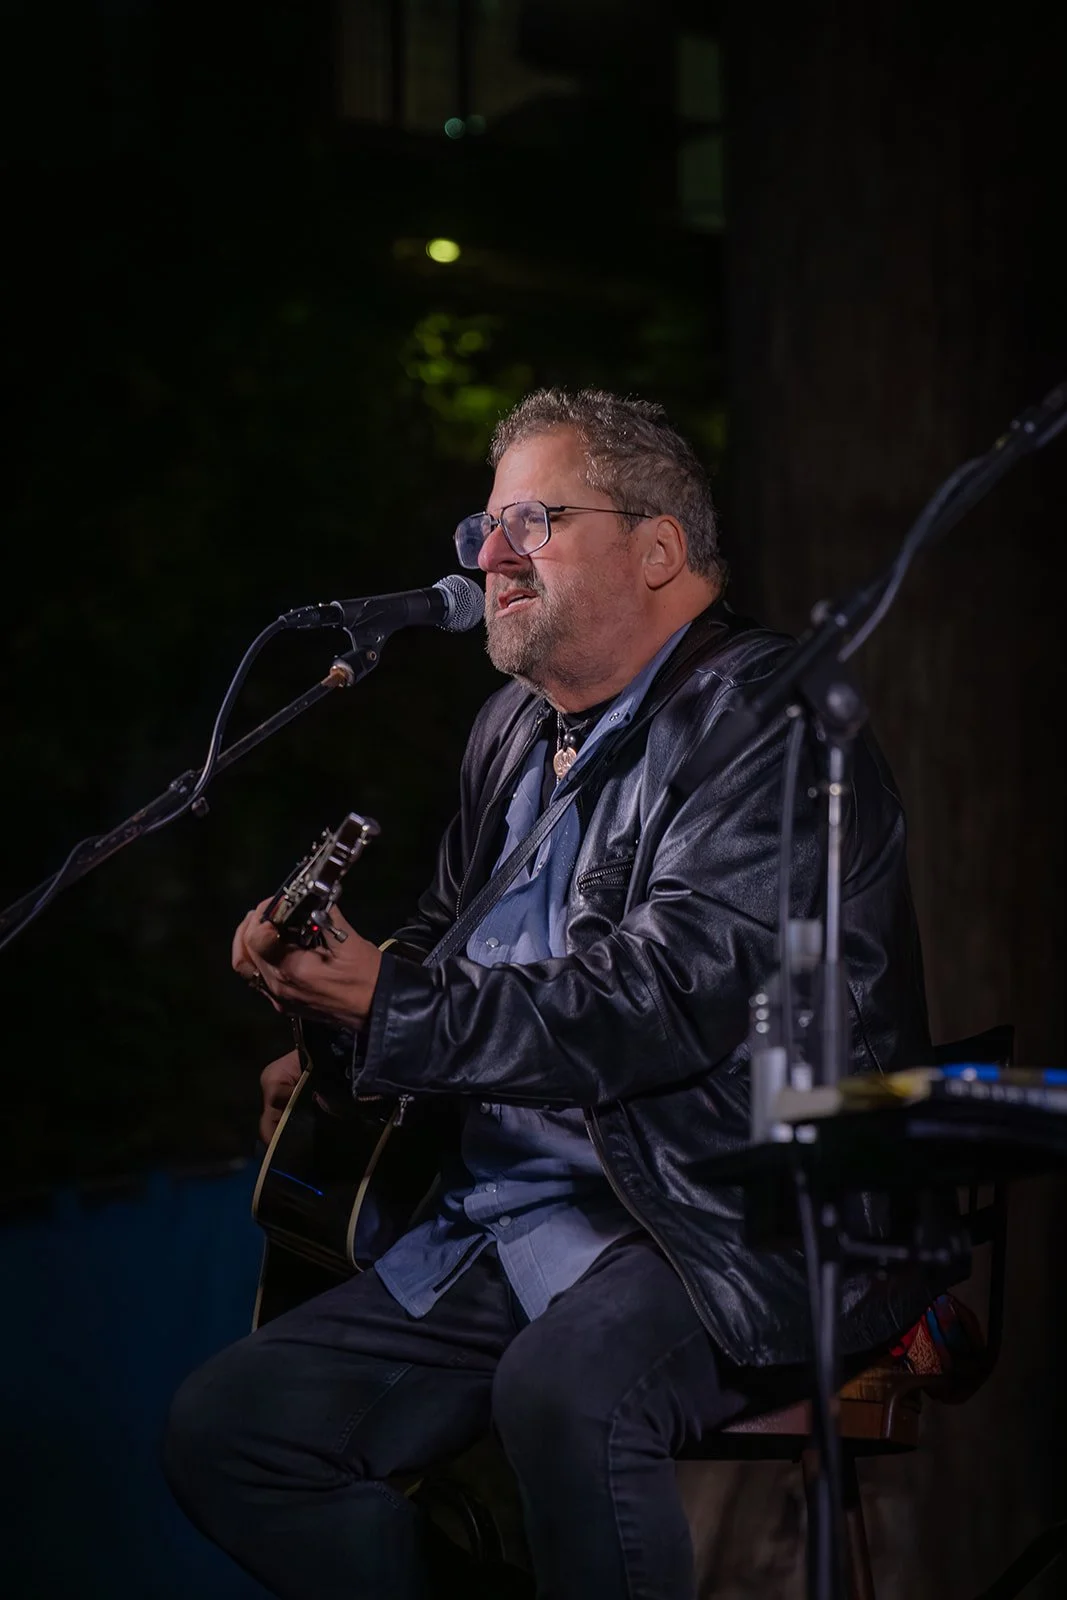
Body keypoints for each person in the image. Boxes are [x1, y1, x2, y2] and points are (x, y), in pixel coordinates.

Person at [164, 389, 946, 1599]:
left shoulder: (767, 723)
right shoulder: (511, 731)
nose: (491, 554)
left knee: (563, 1390)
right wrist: (336, 1013)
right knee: (234, 1427)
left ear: (656, 547)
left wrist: (394, 1006)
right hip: (521, 1216)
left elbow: (666, 997)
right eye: (482, 529)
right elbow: (445, 939)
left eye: (534, 517)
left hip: (728, 1209)